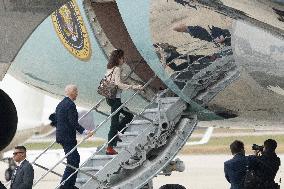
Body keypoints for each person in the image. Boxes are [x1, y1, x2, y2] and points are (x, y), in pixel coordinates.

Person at [104, 49, 143, 155]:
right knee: (123, 118)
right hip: (115, 99)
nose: (123, 60)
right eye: (122, 58)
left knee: (122, 118)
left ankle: (113, 139)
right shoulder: (116, 69)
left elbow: (114, 82)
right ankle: (110, 146)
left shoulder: (109, 68)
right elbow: (118, 84)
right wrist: (134, 87)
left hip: (110, 98)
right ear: (118, 58)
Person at [55, 84, 93, 189]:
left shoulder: (61, 104)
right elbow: (73, 122)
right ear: (71, 92)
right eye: (76, 91)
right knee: (73, 161)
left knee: (74, 159)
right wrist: (85, 132)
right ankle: (64, 186)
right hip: (68, 137)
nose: (77, 93)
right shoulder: (70, 105)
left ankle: (70, 185)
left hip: (62, 136)